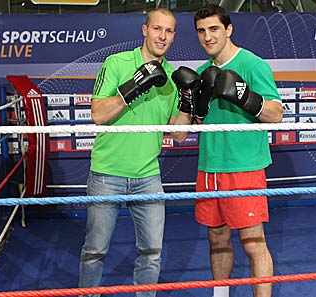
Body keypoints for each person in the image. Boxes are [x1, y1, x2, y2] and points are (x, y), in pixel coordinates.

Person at [79, 8, 192, 297]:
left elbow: (178, 134)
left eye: (168, 31)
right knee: (95, 250)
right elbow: (97, 114)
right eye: (157, 29)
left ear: (174, 36)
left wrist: (192, 104)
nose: (162, 36)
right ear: (145, 30)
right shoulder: (117, 63)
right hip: (107, 173)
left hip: (148, 175)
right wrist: (132, 86)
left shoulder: (171, 78)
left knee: (152, 251)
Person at [192, 4, 283, 297]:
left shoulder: (253, 64)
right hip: (209, 167)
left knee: (253, 242)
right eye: (202, 31)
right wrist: (196, 106)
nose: (208, 37)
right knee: (217, 239)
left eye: (214, 29)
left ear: (228, 29)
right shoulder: (202, 72)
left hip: (243, 167)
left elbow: (276, 113)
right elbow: (196, 122)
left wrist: (245, 97)